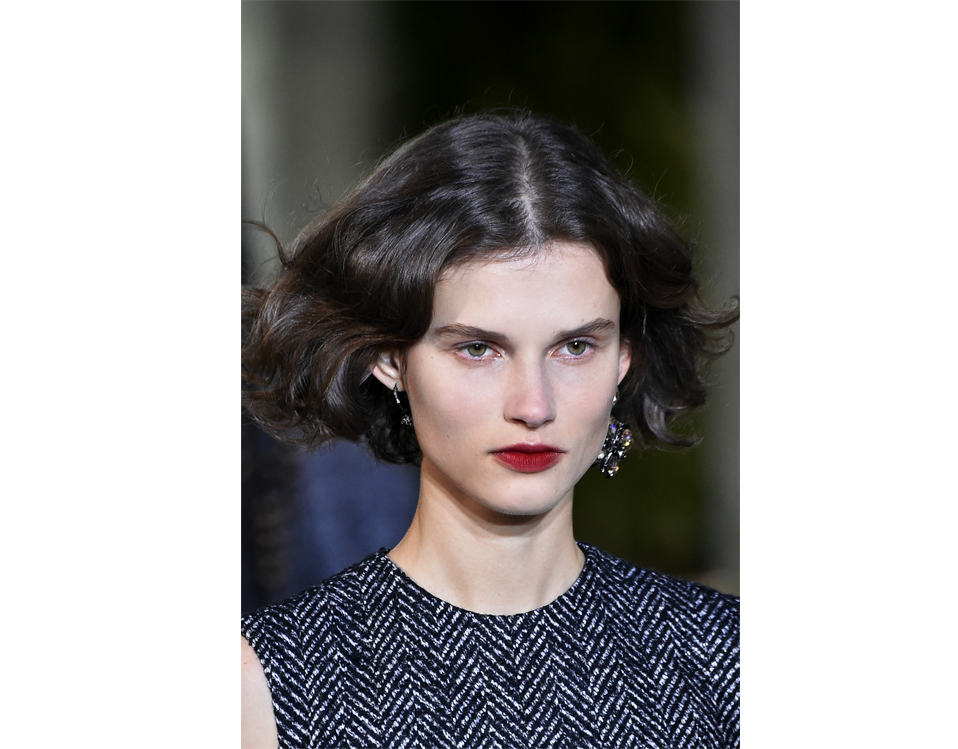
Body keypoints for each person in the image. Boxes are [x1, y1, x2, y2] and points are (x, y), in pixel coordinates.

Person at [240, 111, 739, 748]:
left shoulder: (728, 660)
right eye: (478, 349)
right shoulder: (266, 685)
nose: (534, 405)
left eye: (575, 347)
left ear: (624, 358)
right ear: (390, 360)